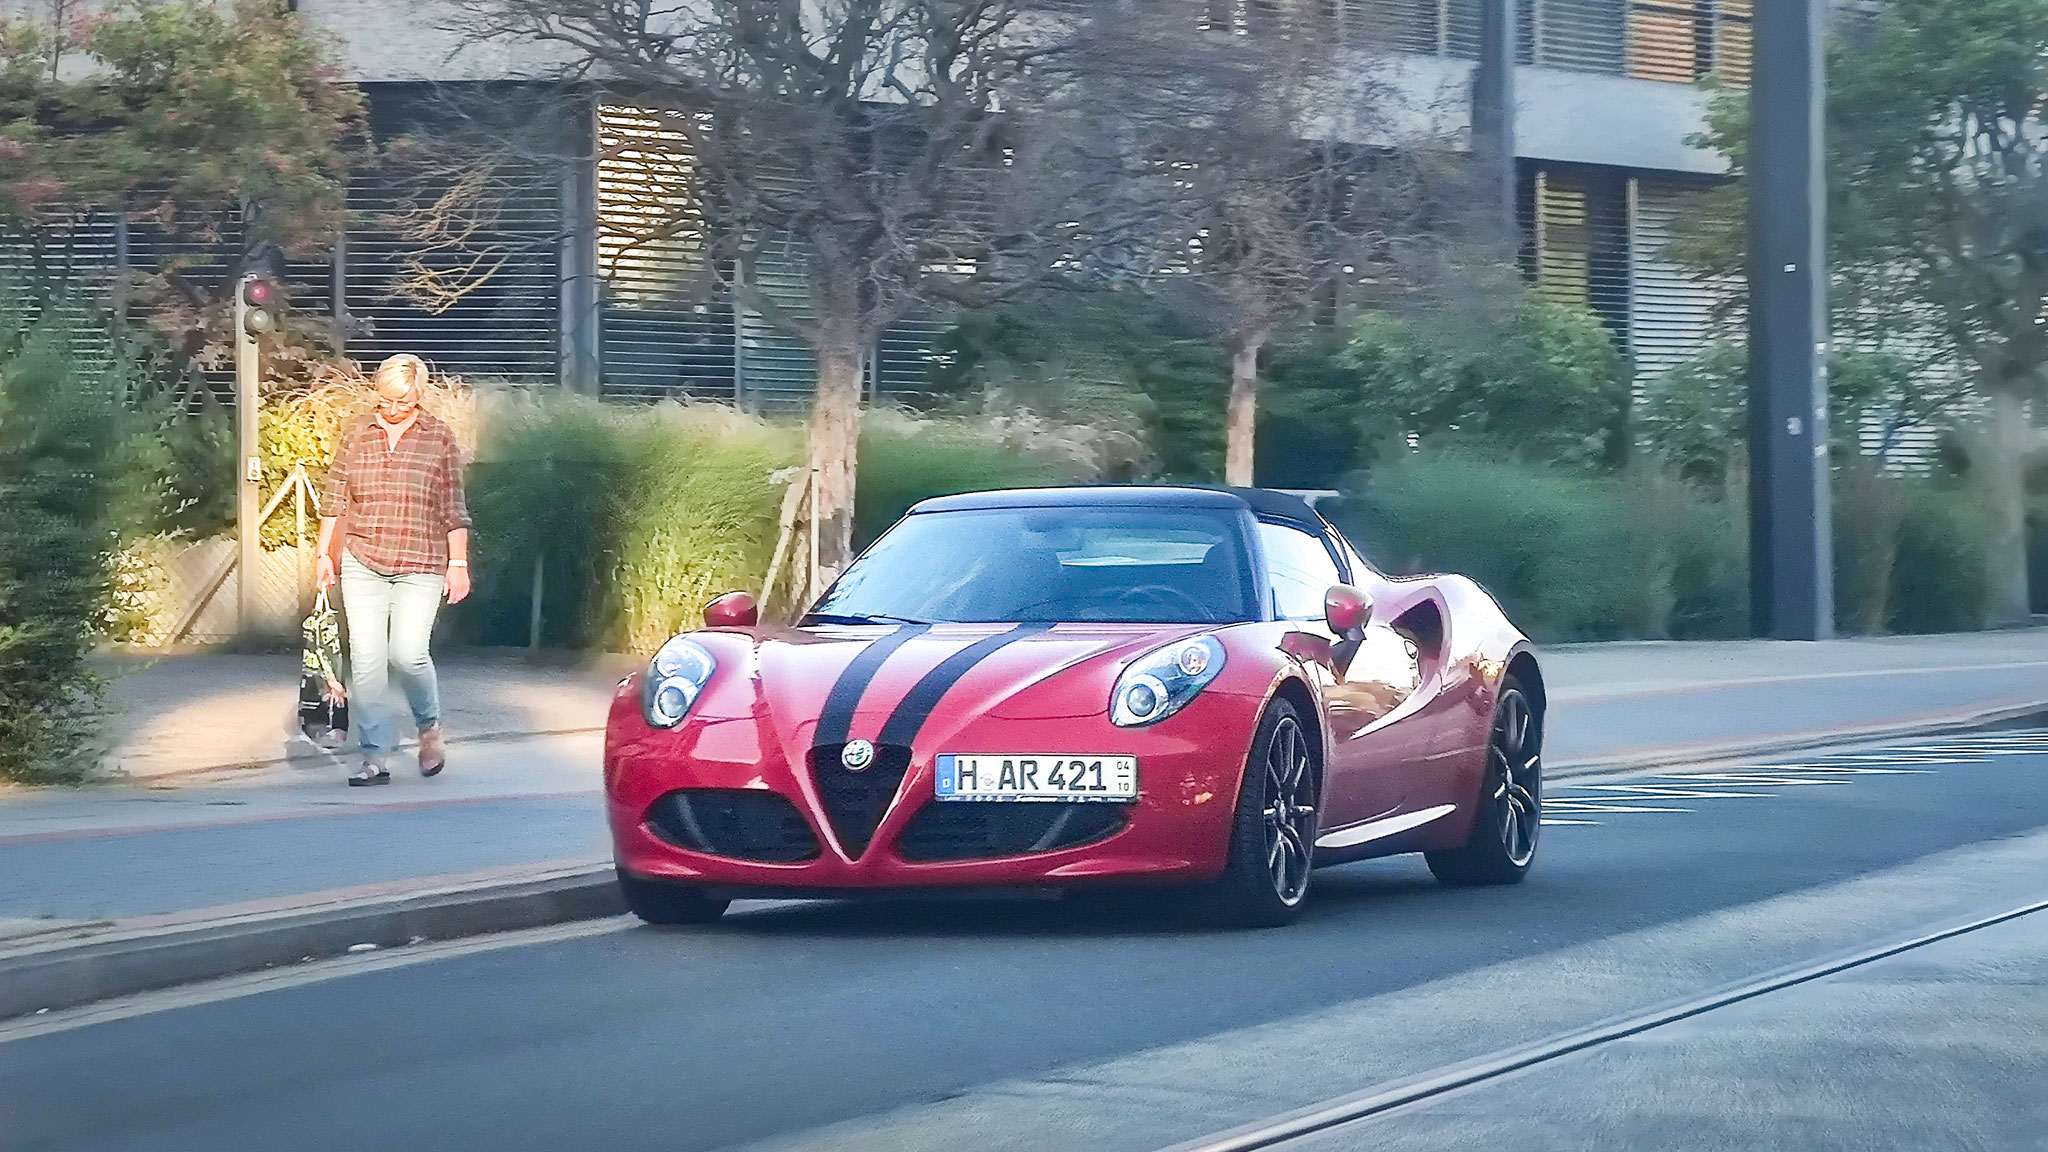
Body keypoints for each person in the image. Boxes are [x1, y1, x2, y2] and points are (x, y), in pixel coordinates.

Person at [314, 354, 473, 787]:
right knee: (366, 661)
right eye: (385, 400)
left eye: (401, 401)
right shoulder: (358, 433)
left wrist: (458, 563)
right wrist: (324, 554)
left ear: (418, 395)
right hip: (362, 559)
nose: (391, 408)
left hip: (421, 561)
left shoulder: (438, 438)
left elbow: (453, 508)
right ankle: (374, 756)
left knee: (407, 653)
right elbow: (334, 497)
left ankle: (429, 727)